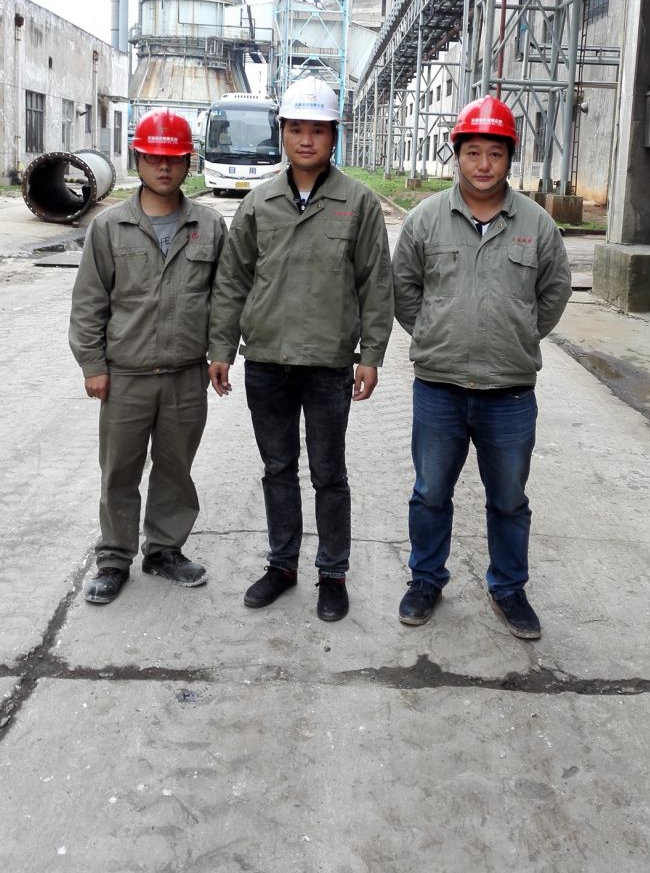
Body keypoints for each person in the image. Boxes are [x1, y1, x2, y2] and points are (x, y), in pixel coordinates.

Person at [208, 77, 394, 623]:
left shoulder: (357, 203)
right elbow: (232, 281)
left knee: (329, 474)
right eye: (296, 129)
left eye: (318, 130)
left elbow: (375, 284)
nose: (306, 140)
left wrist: (371, 355)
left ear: (334, 136)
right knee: (277, 468)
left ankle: (333, 574)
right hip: (267, 361)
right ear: (282, 133)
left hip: (328, 364)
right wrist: (221, 348)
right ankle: (282, 565)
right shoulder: (259, 203)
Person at [392, 95, 571, 639]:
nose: (484, 164)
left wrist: (517, 336)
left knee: (509, 499)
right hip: (439, 388)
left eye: (495, 153)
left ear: (509, 157)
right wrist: (435, 333)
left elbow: (554, 292)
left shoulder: (536, 224)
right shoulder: (425, 220)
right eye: (473, 152)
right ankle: (426, 579)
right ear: (458, 155)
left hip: (509, 393)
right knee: (430, 493)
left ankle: (509, 588)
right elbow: (404, 290)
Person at [70, 109, 225, 605]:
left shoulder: (209, 225)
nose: (164, 167)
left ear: (188, 163)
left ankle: (164, 551)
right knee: (119, 470)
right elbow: (89, 301)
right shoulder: (109, 226)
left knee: (175, 469)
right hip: (126, 376)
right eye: (154, 157)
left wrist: (221, 352)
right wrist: (93, 365)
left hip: (185, 375)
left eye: (174, 159)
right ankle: (114, 559)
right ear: (138, 159)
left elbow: (225, 297)